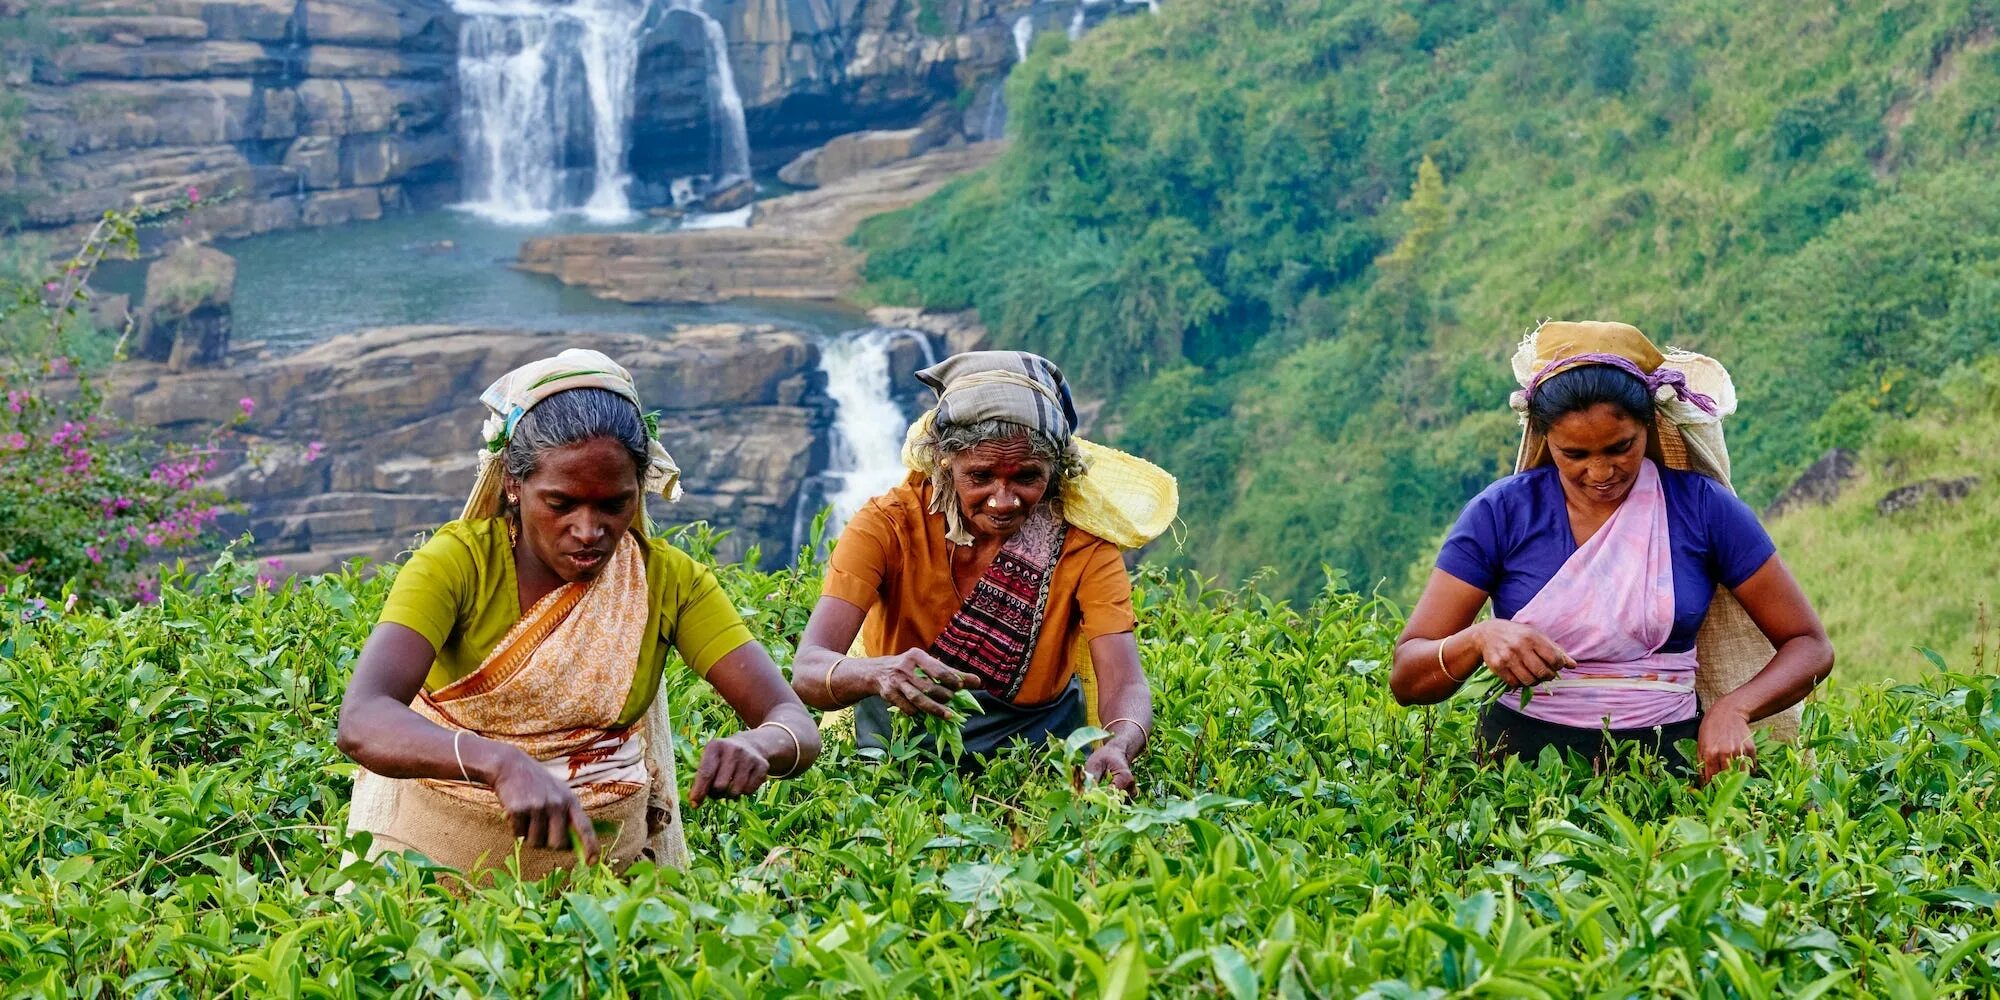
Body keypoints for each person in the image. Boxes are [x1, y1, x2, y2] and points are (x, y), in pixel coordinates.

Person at [337, 349, 819, 879]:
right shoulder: (456, 565)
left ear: (640, 489)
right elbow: (363, 719)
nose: (589, 531)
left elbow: (795, 723)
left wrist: (761, 745)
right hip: (432, 890)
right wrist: (498, 763)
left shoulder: (667, 582)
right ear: (513, 486)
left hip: (611, 893)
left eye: (614, 504)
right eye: (562, 503)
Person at [1390, 321, 1833, 780]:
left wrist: (1734, 708)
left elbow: (1809, 645)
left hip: (1669, 765)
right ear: (1544, 439)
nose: (1601, 472)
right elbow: (1407, 677)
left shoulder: (1702, 509)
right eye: (1574, 454)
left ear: (1649, 424)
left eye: (1621, 448)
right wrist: (1479, 639)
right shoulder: (1502, 512)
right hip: (1520, 773)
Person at [790, 351, 1176, 790]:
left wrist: (1119, 744)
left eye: (1027, 477)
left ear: (1056, 472)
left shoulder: (1081, 544)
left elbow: (1124, 678)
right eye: (980, 476)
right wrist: (879, 673)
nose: (1003, 499)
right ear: (943, 463)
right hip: (901, 752)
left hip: (1039, 751)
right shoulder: (889, 525)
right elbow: (808, 670)